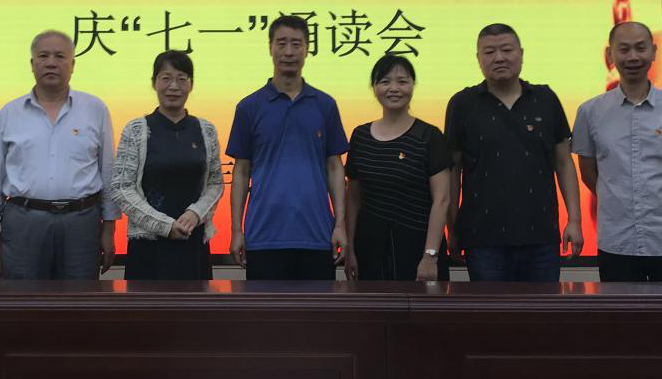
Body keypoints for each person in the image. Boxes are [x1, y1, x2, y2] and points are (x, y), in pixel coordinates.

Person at [444, 23, 583, 282]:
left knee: (542, 307)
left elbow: (564, 163)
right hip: (483, 239)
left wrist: (574, 220)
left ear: (521, 53)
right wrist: (452, 227)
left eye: (506, 50)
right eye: (489, 52)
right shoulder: (462, 104)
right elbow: (453, 172)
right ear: (478, 59)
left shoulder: (546, 98)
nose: (499, 58)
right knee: (491, 309)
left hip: (541, 236)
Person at [0, 30, 119, 280]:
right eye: (43, 56)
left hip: (81, 222)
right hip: (23, 222)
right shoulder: (9, 113)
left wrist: (109, 230)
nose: (51, 62)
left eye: (60, 56)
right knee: (22, 299)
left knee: (79, 299)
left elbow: (108, 173)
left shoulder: (95, 109)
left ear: (73, 64)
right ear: (32, 63)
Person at [572, 21, 662, 283]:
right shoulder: (590, 112)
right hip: (617, 241)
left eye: (640, 48)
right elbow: (587, 171)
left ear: (653, 52)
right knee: (622, 311)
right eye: (624, 49)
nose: (633, 56)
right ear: (609, 55)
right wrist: (619, 200)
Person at [226, 15, 350, 281]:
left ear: (307, 49)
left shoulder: (325, 105)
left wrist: (340, 225)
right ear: (270, 48)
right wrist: (236, 230)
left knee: (318, 309)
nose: (289, 52)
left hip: (317, 236)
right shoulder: (249, 107)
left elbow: (335, 168)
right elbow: (241, 172)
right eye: (281, 43)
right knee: (265, 309)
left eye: (296, 44)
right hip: (263, 236)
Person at [110, 50, 224, 281]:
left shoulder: (206, 130)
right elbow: (121, 188)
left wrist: (196, 213)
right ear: (154, 83)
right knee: (147, 304)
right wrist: (165, 226)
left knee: (195, 303)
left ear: (191, 85)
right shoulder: (136, 130)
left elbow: (215, 183)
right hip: (148, 245)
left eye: (182, 79)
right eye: (166, 78)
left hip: (193, 239)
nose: (174, 86)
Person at [344, 55, 452, 282]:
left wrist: (430, 256)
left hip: (417, 248)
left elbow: (442, 200)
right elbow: (353, 197)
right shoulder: (360, 136)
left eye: (402, 81)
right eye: (385, 81)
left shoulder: (429, 136)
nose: (394, 88)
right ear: (374, 87)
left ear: (412, 86)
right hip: (369, 249)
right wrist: (350, 248)